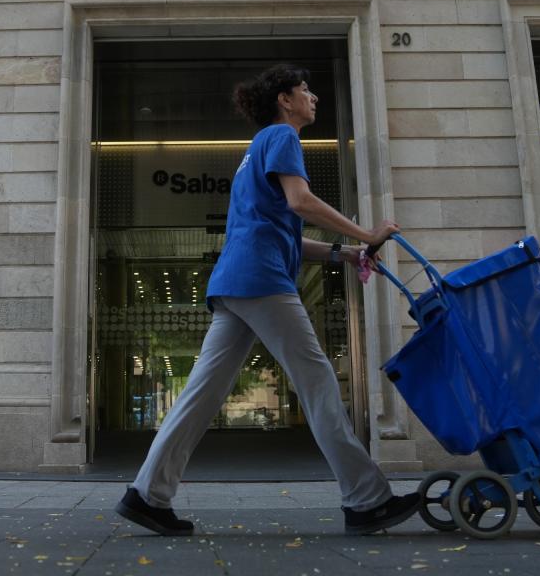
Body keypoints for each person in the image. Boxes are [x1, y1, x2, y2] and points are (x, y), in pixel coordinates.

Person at [115, 64, 422, 537]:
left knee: (201, 394)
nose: (313, 97)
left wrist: (347, 253)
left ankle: (146, 496)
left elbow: (286, 235)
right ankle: (366, 500)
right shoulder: (282, 138)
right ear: (284, 99)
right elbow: (301, 202)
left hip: (236, 281)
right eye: (305, 90)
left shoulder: (255, 150)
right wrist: (369, 233)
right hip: (262, 280)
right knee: (318, 382)